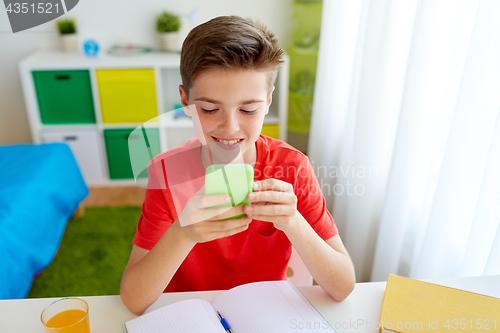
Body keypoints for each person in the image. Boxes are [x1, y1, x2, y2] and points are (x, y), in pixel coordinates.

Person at [120, 15, 355, 316]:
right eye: (209, 108)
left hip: (267, 313)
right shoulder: (166, 174)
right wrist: (183, 233)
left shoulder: (293, 167)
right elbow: (133, 299)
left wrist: (294, 222)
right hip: (192, 314)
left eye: (248, 109)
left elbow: (344, 286)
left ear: (268, 102)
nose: (229, 127)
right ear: (185, 100)